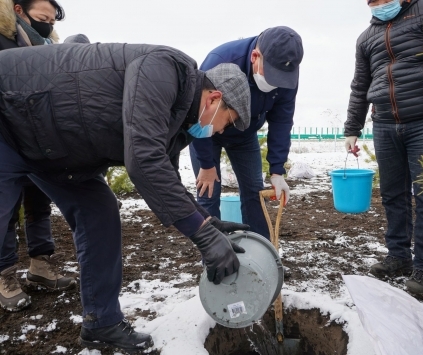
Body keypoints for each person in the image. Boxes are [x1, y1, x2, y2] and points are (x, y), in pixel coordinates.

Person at [0, 43, 252, 351]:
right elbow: (143, 160)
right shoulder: (165, 70)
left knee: (99, 212)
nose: (221, 131)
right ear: (214, 99)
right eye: (228, 120)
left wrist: (205, 220)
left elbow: (163, 178)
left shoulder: (180, 120)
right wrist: (203, 236)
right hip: (10, 117)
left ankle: (101, 323)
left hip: (54, 149)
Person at [345, 0, 423, 297]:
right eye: (373, 2)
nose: (379, 5)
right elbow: (360, 85)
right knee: (393, 193)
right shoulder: (366, 38)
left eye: (383, 0)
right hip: (384, 124)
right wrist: (352, 129)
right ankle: (398, 255)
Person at [0, 0, 77, 313]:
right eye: (42, 18)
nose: (48, 26)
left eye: (51, 21)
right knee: (5, 209)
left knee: (38, 203)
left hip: (35, 138)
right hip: (4, 139)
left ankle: (40, 267)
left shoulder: (46, 46)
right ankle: (5, 277)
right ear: (19, 11)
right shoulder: (3, 42)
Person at [189, 26, 303, 236]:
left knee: (254, 193)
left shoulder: (287, 75)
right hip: (207, 133)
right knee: (208, 192)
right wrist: (206, 164)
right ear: (254, 57)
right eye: (271, 76)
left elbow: (282, 121)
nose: (275, 84)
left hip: (244, 135)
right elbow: (197, 113)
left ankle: (260, 252)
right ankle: (213, 258)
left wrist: (277, 170)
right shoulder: (221, 60)